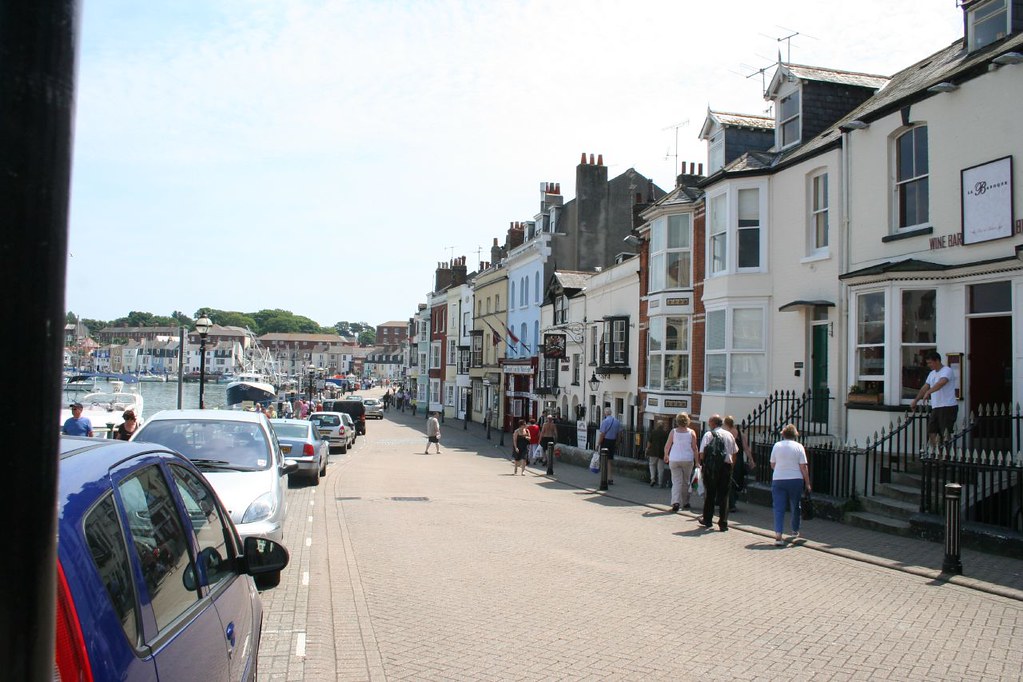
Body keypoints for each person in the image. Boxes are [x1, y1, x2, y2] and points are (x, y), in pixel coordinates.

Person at [770, 424, 812, 546]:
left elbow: (772, 464)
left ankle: (778, 535)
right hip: (795, 479)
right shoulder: (799, 447)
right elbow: (803, 467)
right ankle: (794, 530)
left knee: (778, 507)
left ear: (783, 434)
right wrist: (807, 483)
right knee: (795, 505)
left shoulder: (777, 446)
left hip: (779, 479)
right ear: (795, 435)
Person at [910, 350, 959, 449]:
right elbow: (925, 387)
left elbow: (941, 382)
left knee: (945, 432)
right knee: (932, 431)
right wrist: (916, 400)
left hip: (947, 406)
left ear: (937, 361)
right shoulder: (932, 374)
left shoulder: (947, 370)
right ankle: (938, 454)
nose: (929, 365)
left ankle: (947, 455)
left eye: (930, 363)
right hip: (936, 407)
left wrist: (929, 392)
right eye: (927, 363)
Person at [697, 414, 738, 531]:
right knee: (724, 495)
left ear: (713, 423)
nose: (709, 424)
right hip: (726, 467)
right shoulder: (729, 435)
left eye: (709, 422)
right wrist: (731, 466)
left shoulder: (708, 435)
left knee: (710, 494)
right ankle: (723, 523)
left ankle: (708, 520)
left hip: (711, 469)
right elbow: (735, 453)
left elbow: (702, 454)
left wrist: (705, 465)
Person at [664, 413, 698, 512]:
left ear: (677, 421)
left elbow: (667, 445)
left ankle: (675, 502)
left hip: (674, 459)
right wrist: (697, 462)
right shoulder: (691, 432)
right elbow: (695, 448)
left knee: (676, 482)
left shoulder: (673, 432)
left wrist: (666, 455)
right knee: (685, 481)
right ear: (687, 421)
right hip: (687, 459)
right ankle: (686, 502)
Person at [724, 415, 755, 513]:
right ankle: (732, 502)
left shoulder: (727, 434)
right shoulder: (741, 434)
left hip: (730, 459)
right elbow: (746, 448)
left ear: (726, 424)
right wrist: (751, 460)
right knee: (736, 480)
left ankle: (730, 504)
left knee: (729, 481)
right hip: (739, 461)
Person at [595, 407, 622, 484]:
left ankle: (604, 477)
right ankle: (610, 477)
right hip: (613, 441)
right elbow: (619, 434)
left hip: (605, 441)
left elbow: (602, 434)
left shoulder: (604, 421)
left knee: (604, 459)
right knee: (610, 460)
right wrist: (617, 442)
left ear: (605, 413)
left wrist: (598, 444)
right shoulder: (617, 421)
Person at [645, 420, 669, 488]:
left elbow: (650, 442)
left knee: (652, 465)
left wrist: (647, 449)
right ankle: (660, 483)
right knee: (660, 468)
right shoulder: (665, 433)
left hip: (653, 452)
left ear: (657, 425)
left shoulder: (653, 432)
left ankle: (652, 479)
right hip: (661, 453)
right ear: (663, 425)